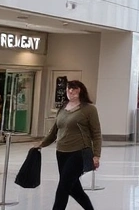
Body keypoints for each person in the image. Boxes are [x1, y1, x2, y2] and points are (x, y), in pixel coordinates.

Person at [36, 80, 102, 210]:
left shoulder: (89, 109)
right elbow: (54, 131)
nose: (71, 91)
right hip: (61, 152)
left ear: (81, 90)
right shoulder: (63, 108)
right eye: (68, 89)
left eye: (74, 89)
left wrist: (96, 155)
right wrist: (41, 144)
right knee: (73, 188)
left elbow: (97, 133)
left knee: (63, 186)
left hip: (79, 152)